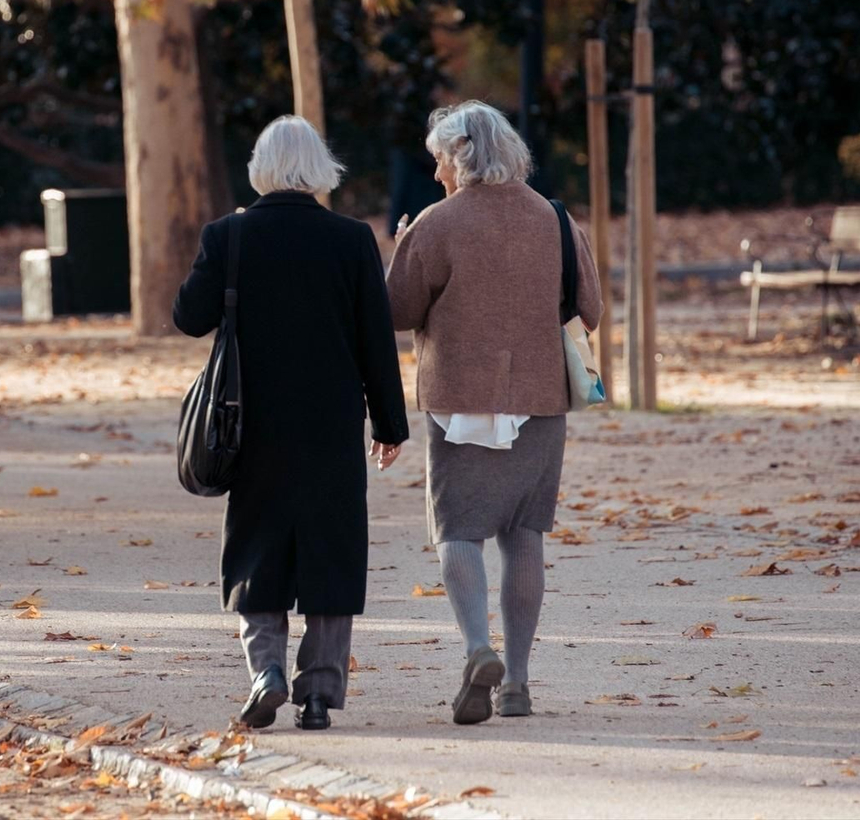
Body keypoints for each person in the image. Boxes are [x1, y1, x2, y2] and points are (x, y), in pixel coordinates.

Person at [173, 115, 409, 732]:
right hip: (330, 421)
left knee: (257, 548)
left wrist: (217, 269)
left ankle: (266, 673)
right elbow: (375, 342)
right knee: (331, 552)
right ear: (319, 168)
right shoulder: (352, 239)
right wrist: (390, 423)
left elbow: (187, 317)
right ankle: (318, 696)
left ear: (261, 167)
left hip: (251, 422)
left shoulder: (230, 236)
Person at [384, 100, 602, 725]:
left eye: (438, 163)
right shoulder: (555, 219)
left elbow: (396, 311)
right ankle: (521, 685)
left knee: (458, 531)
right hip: (539, 399)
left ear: (459, 157)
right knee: (524, 534)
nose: (435, 177)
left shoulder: (435, 222)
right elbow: (590, 310)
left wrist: (403, 246)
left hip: (458, 398)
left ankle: (479, 648)